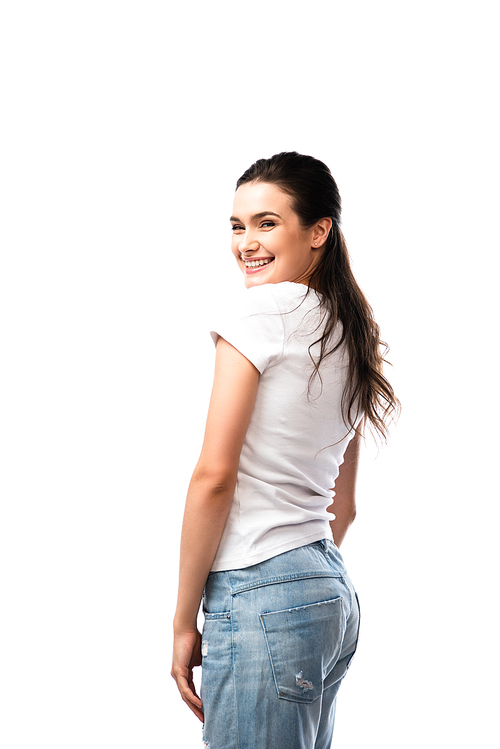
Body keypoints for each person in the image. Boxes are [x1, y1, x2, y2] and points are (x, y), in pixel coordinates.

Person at [171, 151, 400, 748]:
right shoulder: (351, 328)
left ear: (318, 230)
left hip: (258, 591)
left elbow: (213, 478)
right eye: (237, 225)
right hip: (326, 589)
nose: (247, 241)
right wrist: (298, 588)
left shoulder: (258, 310)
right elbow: (341, 508)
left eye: (267, 223)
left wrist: (181, 623)